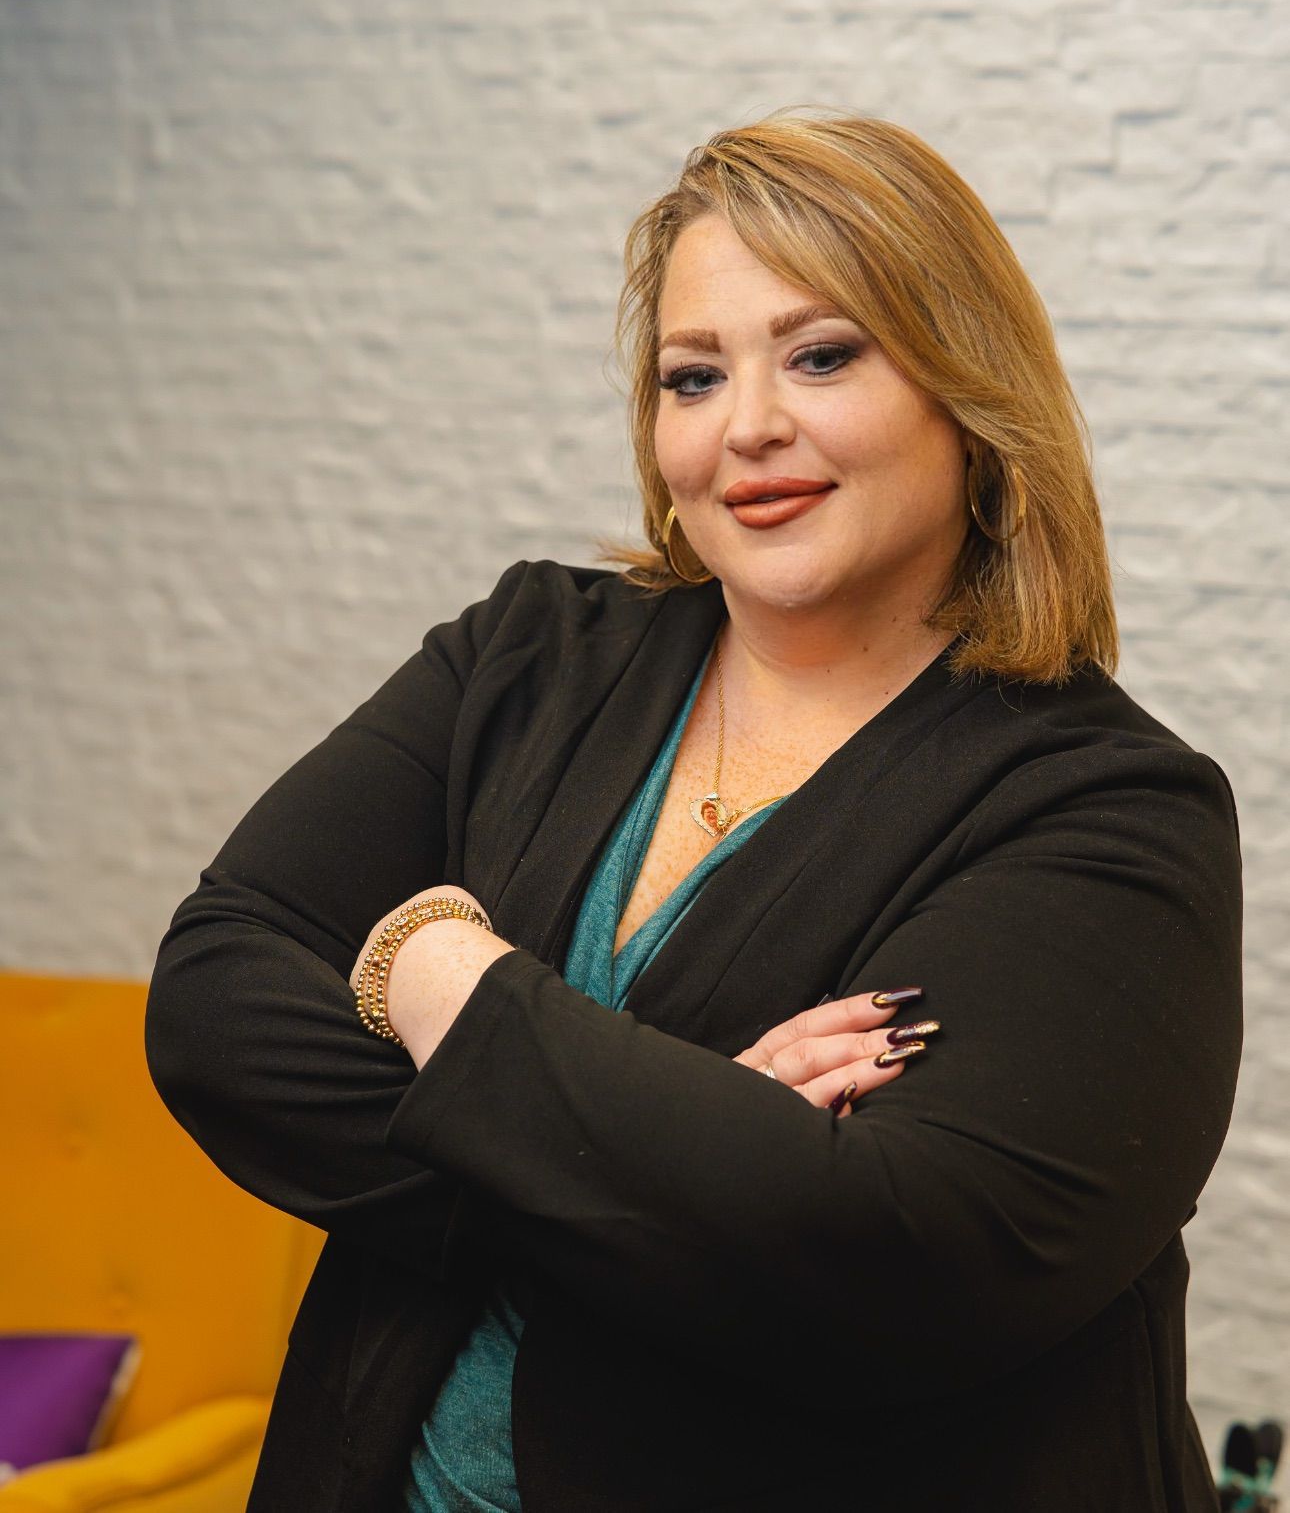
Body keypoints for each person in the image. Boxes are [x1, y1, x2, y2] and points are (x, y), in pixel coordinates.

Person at [145, 107, 1242, 1512]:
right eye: (693, 376)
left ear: (967, 392)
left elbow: (887, 1269)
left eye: (823, 355)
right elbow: (215, 999)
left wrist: (434, 969)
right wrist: (685, 1151)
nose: (748, 427)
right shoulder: (527, 654)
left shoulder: (1111, 811)